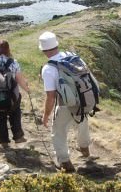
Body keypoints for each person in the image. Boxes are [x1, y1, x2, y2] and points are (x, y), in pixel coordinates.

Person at [39, 31, 91, 172]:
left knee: (58, 132)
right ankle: (85, 148)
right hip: (84, 99)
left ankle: (65, 162)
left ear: (43, 50)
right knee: (82, 122)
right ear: (56, 44)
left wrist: (45, 115)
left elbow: (51, 96)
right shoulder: (72, 56)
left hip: (66, 104)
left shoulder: (49, 68)